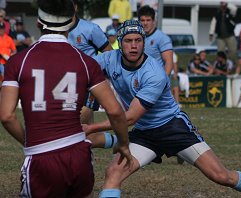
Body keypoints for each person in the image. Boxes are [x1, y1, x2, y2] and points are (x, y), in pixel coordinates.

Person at [85, 19, 241, 198]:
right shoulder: (109, 59)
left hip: (173, 127)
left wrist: (90, 128)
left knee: (221, 176)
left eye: (138, 40)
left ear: (144, 42)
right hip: (145, 134)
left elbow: (129, 118)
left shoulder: (154, 73)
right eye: (128, 40)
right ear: (120, 42)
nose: (133, 45)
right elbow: (81, 69)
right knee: (113, 172)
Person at [0, 0, 132, 197]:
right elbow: (115, 111)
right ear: (71, 23)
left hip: (41, 157)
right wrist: (123, 143)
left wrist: (28, 142)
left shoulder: (19, 61)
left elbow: (7, 116)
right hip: (79, 157)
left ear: (38, 22)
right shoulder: (86, 61)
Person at [68, 0, 113, 124]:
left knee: (75, 124)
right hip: (68, 82)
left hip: (90, 82)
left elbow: (109, 53)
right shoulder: (56, 31)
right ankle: (118, 143)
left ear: (75, 7)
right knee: (89, 133)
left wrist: (105, 77)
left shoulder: (90, 29)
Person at [138, 5, 173, 75]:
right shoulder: (137, 37)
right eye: (142, 20)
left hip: (156, 81)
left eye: (148, 20)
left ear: (153, 21)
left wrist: (163, 82)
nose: (145, 23)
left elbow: (169, 62)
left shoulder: (162, 38)